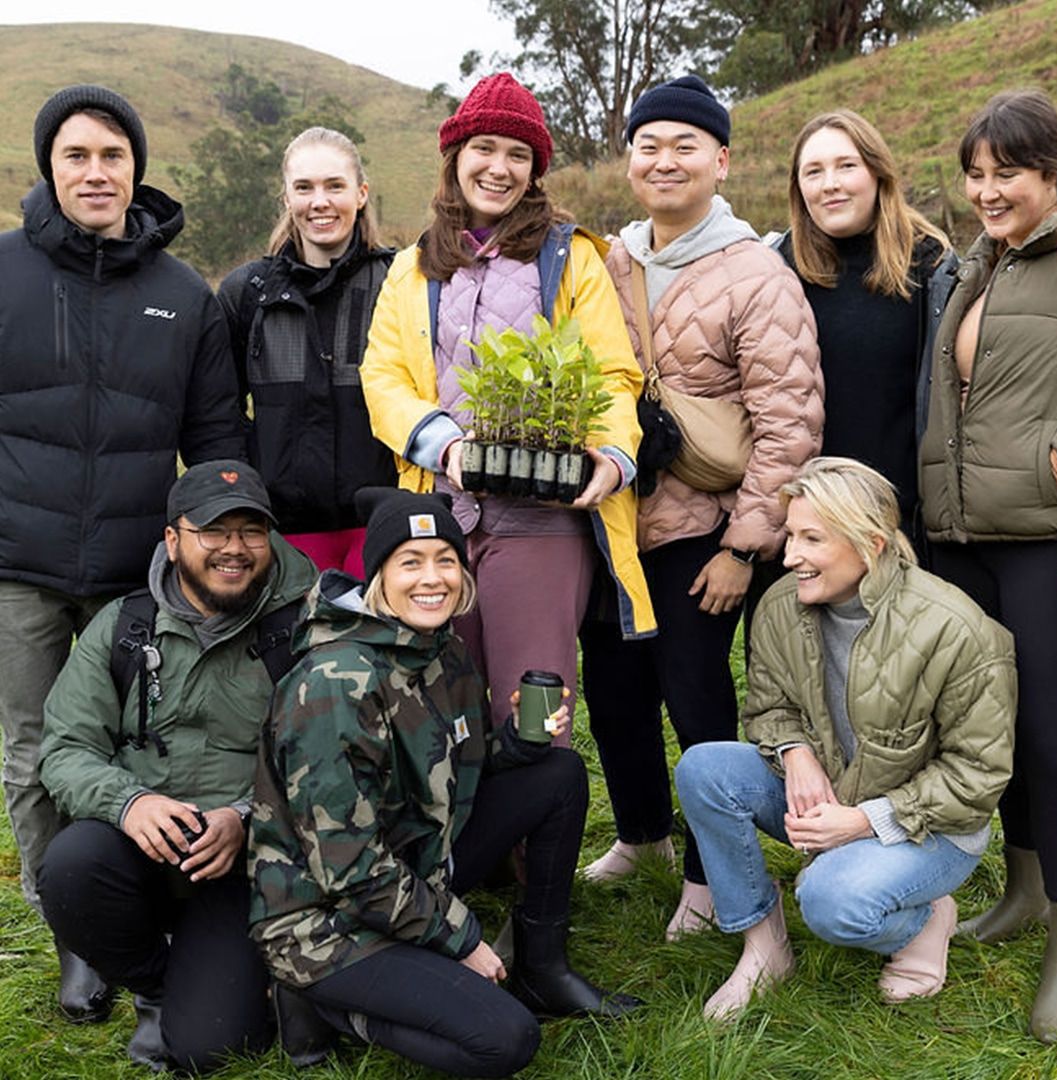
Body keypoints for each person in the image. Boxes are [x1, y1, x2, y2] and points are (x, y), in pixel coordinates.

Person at [249, 489, 640, 1078]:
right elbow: (351, 873)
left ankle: (542, 968)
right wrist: (461, 937)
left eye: (446, 559)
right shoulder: (334, 684)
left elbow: (457, 773)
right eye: (411, 562)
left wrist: (520, 747)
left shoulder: (441, 649)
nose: (433, 578)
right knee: (503, 1040)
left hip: (415, 863)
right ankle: (321, 1004)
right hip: (327, 919)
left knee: (557, 774)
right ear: (379, 573)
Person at [0, 84, 243, 1020]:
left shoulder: (185, 298)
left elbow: (217, 442)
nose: (95, 172)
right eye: (76, 156)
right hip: (18, 566)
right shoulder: (6, 272)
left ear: (136, 167)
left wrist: (215, 551)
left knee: (133, 750)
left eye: (112, 155)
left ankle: (132, 915)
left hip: (133, 576)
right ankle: (72, 939)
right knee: (30, 753)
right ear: (48, 168)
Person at [577, 75, 823, 940]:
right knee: (613, 688)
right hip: (614, 525)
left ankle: (711, 874)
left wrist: (745, 548)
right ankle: (643, 833)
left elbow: (788, 422)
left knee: (695, 695)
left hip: (704, 532)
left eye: (686, 145)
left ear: (720, 161)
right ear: (631, 159)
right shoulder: (609, 262)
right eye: (650, 145)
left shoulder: (756, 272)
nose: (665, 159)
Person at [361, 72, 655, 734]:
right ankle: (472, 839)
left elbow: (613, 373)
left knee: (533, 706)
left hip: (543, 520)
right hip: (440, 521)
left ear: (535, 169)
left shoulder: (571, 258)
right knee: (445, 708)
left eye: (518, 154)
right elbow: (382, 376)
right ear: (456, 156)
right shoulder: (413, 267)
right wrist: (445, 445)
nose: (499, 167)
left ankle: (539, 829)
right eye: (485, 148)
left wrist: (611, 457)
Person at [674, 457, 1016, 1021]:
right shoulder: (783, 604)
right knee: (704, 770)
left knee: (832, 904)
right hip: (835, 787)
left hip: (932, 828)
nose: (789, 557)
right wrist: (795, 752)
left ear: (871, 544)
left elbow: (977, 777)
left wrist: (864, 822)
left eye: (812, 539)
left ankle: (926, 921)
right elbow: (769, 708)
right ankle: (764, 945)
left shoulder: (957, 629)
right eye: (790, 536)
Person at [35, 461, 317, 1073]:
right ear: (173, 539)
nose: (234, 549)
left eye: (251, 531)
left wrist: (245, 818)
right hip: (139, 848)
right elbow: (64, 749)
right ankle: (156, 985)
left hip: (245, 865)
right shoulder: (124, 627)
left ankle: (217, 982)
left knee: (212, 1047)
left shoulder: (305, 629)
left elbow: (329, 762)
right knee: (70, 866)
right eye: (214, 531)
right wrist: (129, 804)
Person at [919, 89, 1057, 1042]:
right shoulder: (976, 265)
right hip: (965, 538)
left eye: (1006, 174)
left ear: (1052, 173)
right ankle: (1022, 887)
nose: (987, 191)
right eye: (976, 174)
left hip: (1040, 534)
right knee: (999, 728)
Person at [218, 127, 397, 576]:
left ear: (360, 193)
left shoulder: (399, 283)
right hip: (281, 533)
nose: (320, 201)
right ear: (286, 199)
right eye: (304, 188)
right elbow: (221, 413)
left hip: (379, 528)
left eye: (334, 186)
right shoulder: (246, 293)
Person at [778, 109, 956, 550]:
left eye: (846, 166)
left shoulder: (933, 266)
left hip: (902, 526)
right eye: (813, 172)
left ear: (878, 172)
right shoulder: (776, 268)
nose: (830, 184)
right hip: (803, 526)